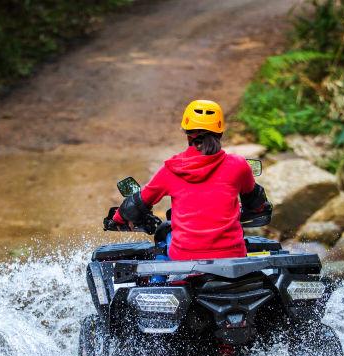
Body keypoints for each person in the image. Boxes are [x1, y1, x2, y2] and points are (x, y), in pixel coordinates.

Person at [112, 99, 270, 260]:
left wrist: (118, 219)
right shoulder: (238, 165)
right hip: (233, 255)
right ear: (220, 133)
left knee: (163, 235)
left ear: (187, 133)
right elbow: (255, 202)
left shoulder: (171, 169)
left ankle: (157, 281)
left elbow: (137, 204)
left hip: (185, 259)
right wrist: (259, 208)